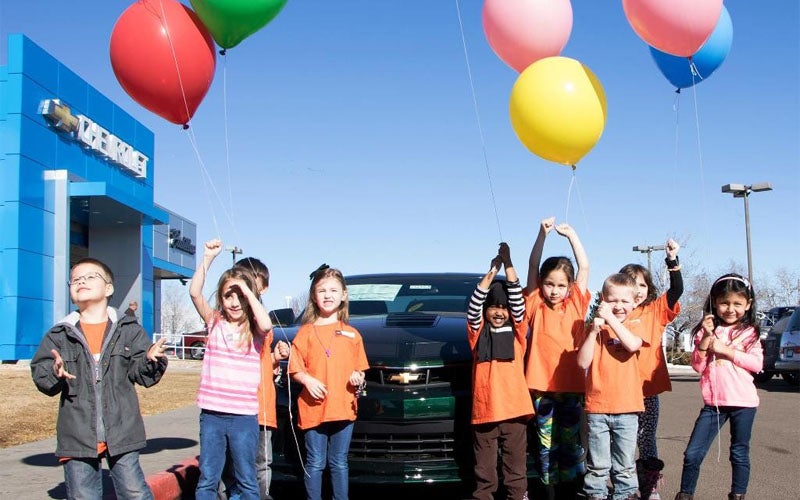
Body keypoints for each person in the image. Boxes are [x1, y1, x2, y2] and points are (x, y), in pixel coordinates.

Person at [31, 258, 169, 500]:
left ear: (108, 288)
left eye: (90, 277)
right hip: (76, 433)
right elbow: (41, 374)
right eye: (75, 279)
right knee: (83, 495)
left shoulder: (128, 329)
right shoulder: (59, 334)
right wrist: (54, 372)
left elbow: (142, 374)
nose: (81, 281)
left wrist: (150, 360)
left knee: (135, 493)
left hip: (123, 429)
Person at [190, 239, 282, 500]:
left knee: (247, 478)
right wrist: (208, 259)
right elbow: (195, 293)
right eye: (228, 295)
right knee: (208, 477)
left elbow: (265, 324)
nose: (234, 302)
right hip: (212, 415)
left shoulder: (255, 330)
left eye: (239, 297)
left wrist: (246, 288)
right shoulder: (215, 322)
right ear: (220, 297)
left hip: (244, 417)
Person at [674, 274, 762, 500]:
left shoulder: (750, 332)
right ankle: (685, 494)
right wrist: (706, 339)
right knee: (693, 453)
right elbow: (697, 365)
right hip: (713, 405)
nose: (730, 309)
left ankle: (738, 494)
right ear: (714, 302)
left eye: (737, 304)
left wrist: (725, 350)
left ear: (748, 304)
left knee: (739, 453)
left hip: (744, 404)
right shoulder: (706, 330)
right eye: (724, 303)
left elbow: (756, 364)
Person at [522, 217, 590, 499]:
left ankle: (570, 490)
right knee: (545, 442)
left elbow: (584, 266)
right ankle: (547, 489)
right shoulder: (535, 302)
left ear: (570, 286)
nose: (554, 290)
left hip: (572, 388)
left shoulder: (576, 303)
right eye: (549, 284)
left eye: (561, 285)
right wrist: (542, 235)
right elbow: (532, 267)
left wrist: (572, 236)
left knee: (570, 442)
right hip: (541, 387)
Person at [288, 265, 369, 500]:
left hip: (343, 408)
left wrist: (358, 377)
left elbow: (360, 370)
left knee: (339, 462)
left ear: (343, 295)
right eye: (322, 290)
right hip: (314, 408)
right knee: (315, 462)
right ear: (314, 295)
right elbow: (295, 368)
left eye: (333, 290)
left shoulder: (353, 334)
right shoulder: (304, 332)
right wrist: (306, 379)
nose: (328, 295)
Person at [217, 257, 290, 500]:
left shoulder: (263, 325)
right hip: (232, 408)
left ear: (262, 288)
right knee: (229, 465)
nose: (243, 293)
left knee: (260, 463)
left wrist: (275, 359)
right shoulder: (225, 323)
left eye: (250, 285)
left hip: (261, 408)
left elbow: (263, 364)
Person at [466, 243, 534, 500]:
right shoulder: (476, 333)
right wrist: (492, 271)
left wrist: (508, 264)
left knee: (515, 468)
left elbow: (517, 299)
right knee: (484, 471)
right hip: (484, 413)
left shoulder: (518, 334)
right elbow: (475, 303)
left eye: (503, 308)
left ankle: (518, 497)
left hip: (515, 412)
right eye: (494, 307)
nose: (499, 312)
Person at [619, 238, 683, 500]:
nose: (639, 289)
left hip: (647, 390)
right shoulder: (617, 312)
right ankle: (625, 485)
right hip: (620, 391)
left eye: (643, 284)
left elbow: (677, 290)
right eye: (632, 284)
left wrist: (672, 260)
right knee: (622, 441)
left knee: (647, 439)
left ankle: (649, 484)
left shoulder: (655, 310)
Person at [577, 273, 644, 500]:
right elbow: (582, 362)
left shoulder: (636, 325)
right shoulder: (596, 329)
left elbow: (633, 345)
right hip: (597, 408)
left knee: (624, 464)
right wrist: (594, 331)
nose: (619, 306)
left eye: (625, 301)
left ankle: (624, 494)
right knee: (598, 464)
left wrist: (611, 321)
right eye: (613, 300)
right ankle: (596, 494)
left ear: (635, 302)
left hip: (627, 409)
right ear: (603, 300)